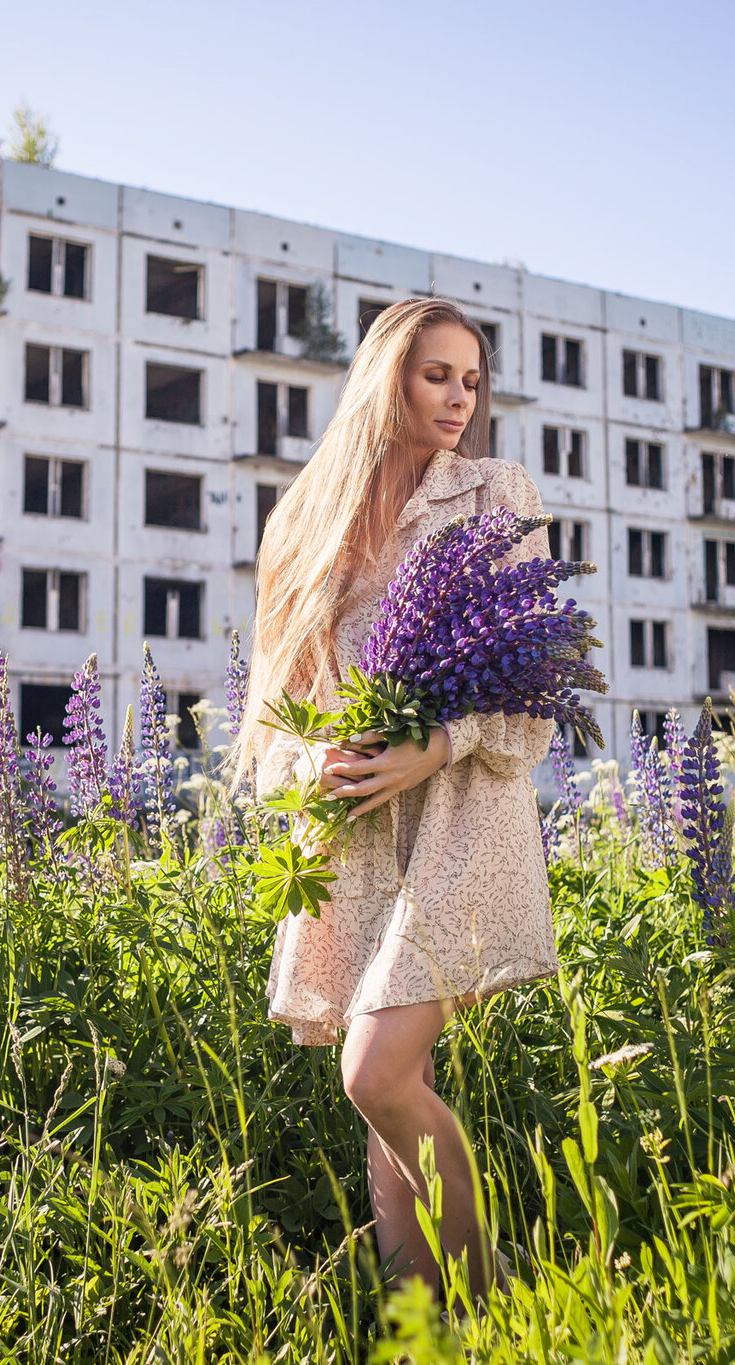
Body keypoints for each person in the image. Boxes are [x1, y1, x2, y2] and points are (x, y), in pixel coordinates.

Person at [231, 297, 560, 1301]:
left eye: (470, 379)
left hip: (461, 816)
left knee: (373, 1073)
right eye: (435, 375)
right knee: (388, 1091)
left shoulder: (495, 493)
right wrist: (311, 768)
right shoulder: (303, 524)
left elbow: (535, 679)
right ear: (386, 377)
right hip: (355, 834)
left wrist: (436, 744)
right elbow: (272, 716)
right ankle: (421, 1316)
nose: (459, 397)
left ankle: (486, 1298)